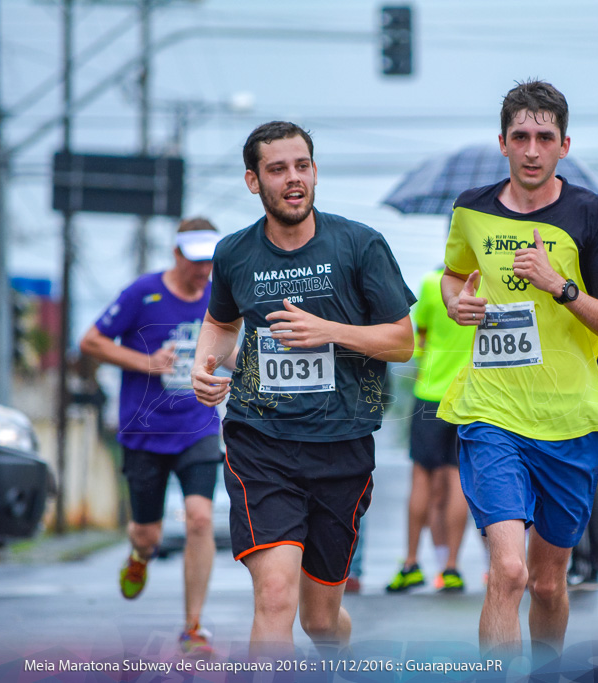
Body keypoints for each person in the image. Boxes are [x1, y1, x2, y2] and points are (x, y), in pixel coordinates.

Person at [191, 121, 415, 656]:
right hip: (260, 442)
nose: (293, 179)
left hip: (341, 446)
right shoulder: (234, 254)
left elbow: (402, 341)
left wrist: (330, 333)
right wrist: (206, 365)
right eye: (277, 169)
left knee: (320, 622)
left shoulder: (359, 245)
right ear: (253, 181)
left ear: (314, 172)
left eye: (302, 166)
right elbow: (222, 325)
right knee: (273, 596)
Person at [438, 80, 598, 658]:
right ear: (501, 143)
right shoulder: (471, 209)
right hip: (491, 412)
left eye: (543, 137)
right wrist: (456, 300)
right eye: (520, 136)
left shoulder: (593, 217)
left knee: (548, 583)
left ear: (564, 145)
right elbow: (454, 274)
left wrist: (561, 286)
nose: (531, 149)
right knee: (509, 571)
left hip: (570, 420)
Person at [79, 218, 224, 658]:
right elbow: (91, 341)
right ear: (177, 255)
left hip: (198, 425)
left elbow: (234, 345)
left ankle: (193, 627)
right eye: (198, 262)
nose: (205, 271)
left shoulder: (219, 296)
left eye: (211, 262)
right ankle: (140, 556)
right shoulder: (142, 292)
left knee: (200, 518)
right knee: (148, 533)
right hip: (144, 431)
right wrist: (143, 360)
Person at [386, 266, 474, 594]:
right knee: (457, 480)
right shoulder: (487, 286)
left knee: (422, 476)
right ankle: (451, 567)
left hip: (431, 392)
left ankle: (411, 562)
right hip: (470, 395)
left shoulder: (431, 282)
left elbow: (419, 337)